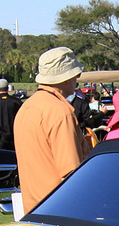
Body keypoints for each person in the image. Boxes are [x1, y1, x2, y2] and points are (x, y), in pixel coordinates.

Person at [13, 46, 89, 210]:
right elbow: (72, 174)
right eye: (76, 74)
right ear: (67, 78)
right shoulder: (60, 113)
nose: (78, 78)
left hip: (33, 208)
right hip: (60, 210)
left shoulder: (27, 108)